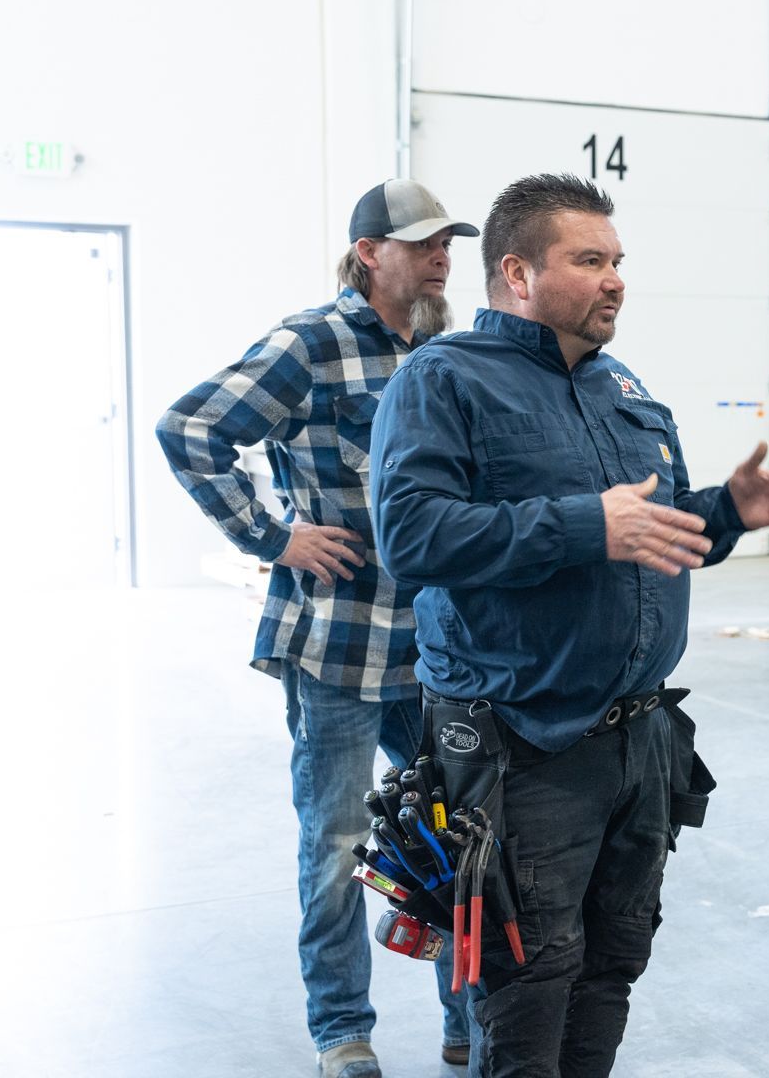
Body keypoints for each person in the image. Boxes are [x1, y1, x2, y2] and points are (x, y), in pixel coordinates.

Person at [368, 173, 769, 1078]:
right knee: (530, 980)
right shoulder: (444, 379)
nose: (615, 279)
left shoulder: (623, 386)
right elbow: (412, 537)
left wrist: (727, 511)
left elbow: (656, 533)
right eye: (589, 260)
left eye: (618, 261)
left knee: (613, 963)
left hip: (637, 742)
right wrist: (587, 525)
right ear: (517, 273)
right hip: (522, 747)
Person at [156, 179, 482, 1078]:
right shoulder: (310, 344)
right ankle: (343, 1031)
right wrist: (274, 537)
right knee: (337, 847)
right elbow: (190, 429)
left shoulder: (443, 351)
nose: (441, 257)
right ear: (369, 252)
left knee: (457, 833)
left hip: (437, 646)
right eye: (423, 243)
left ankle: (467, 1017)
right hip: (339, 645)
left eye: (448, 243)